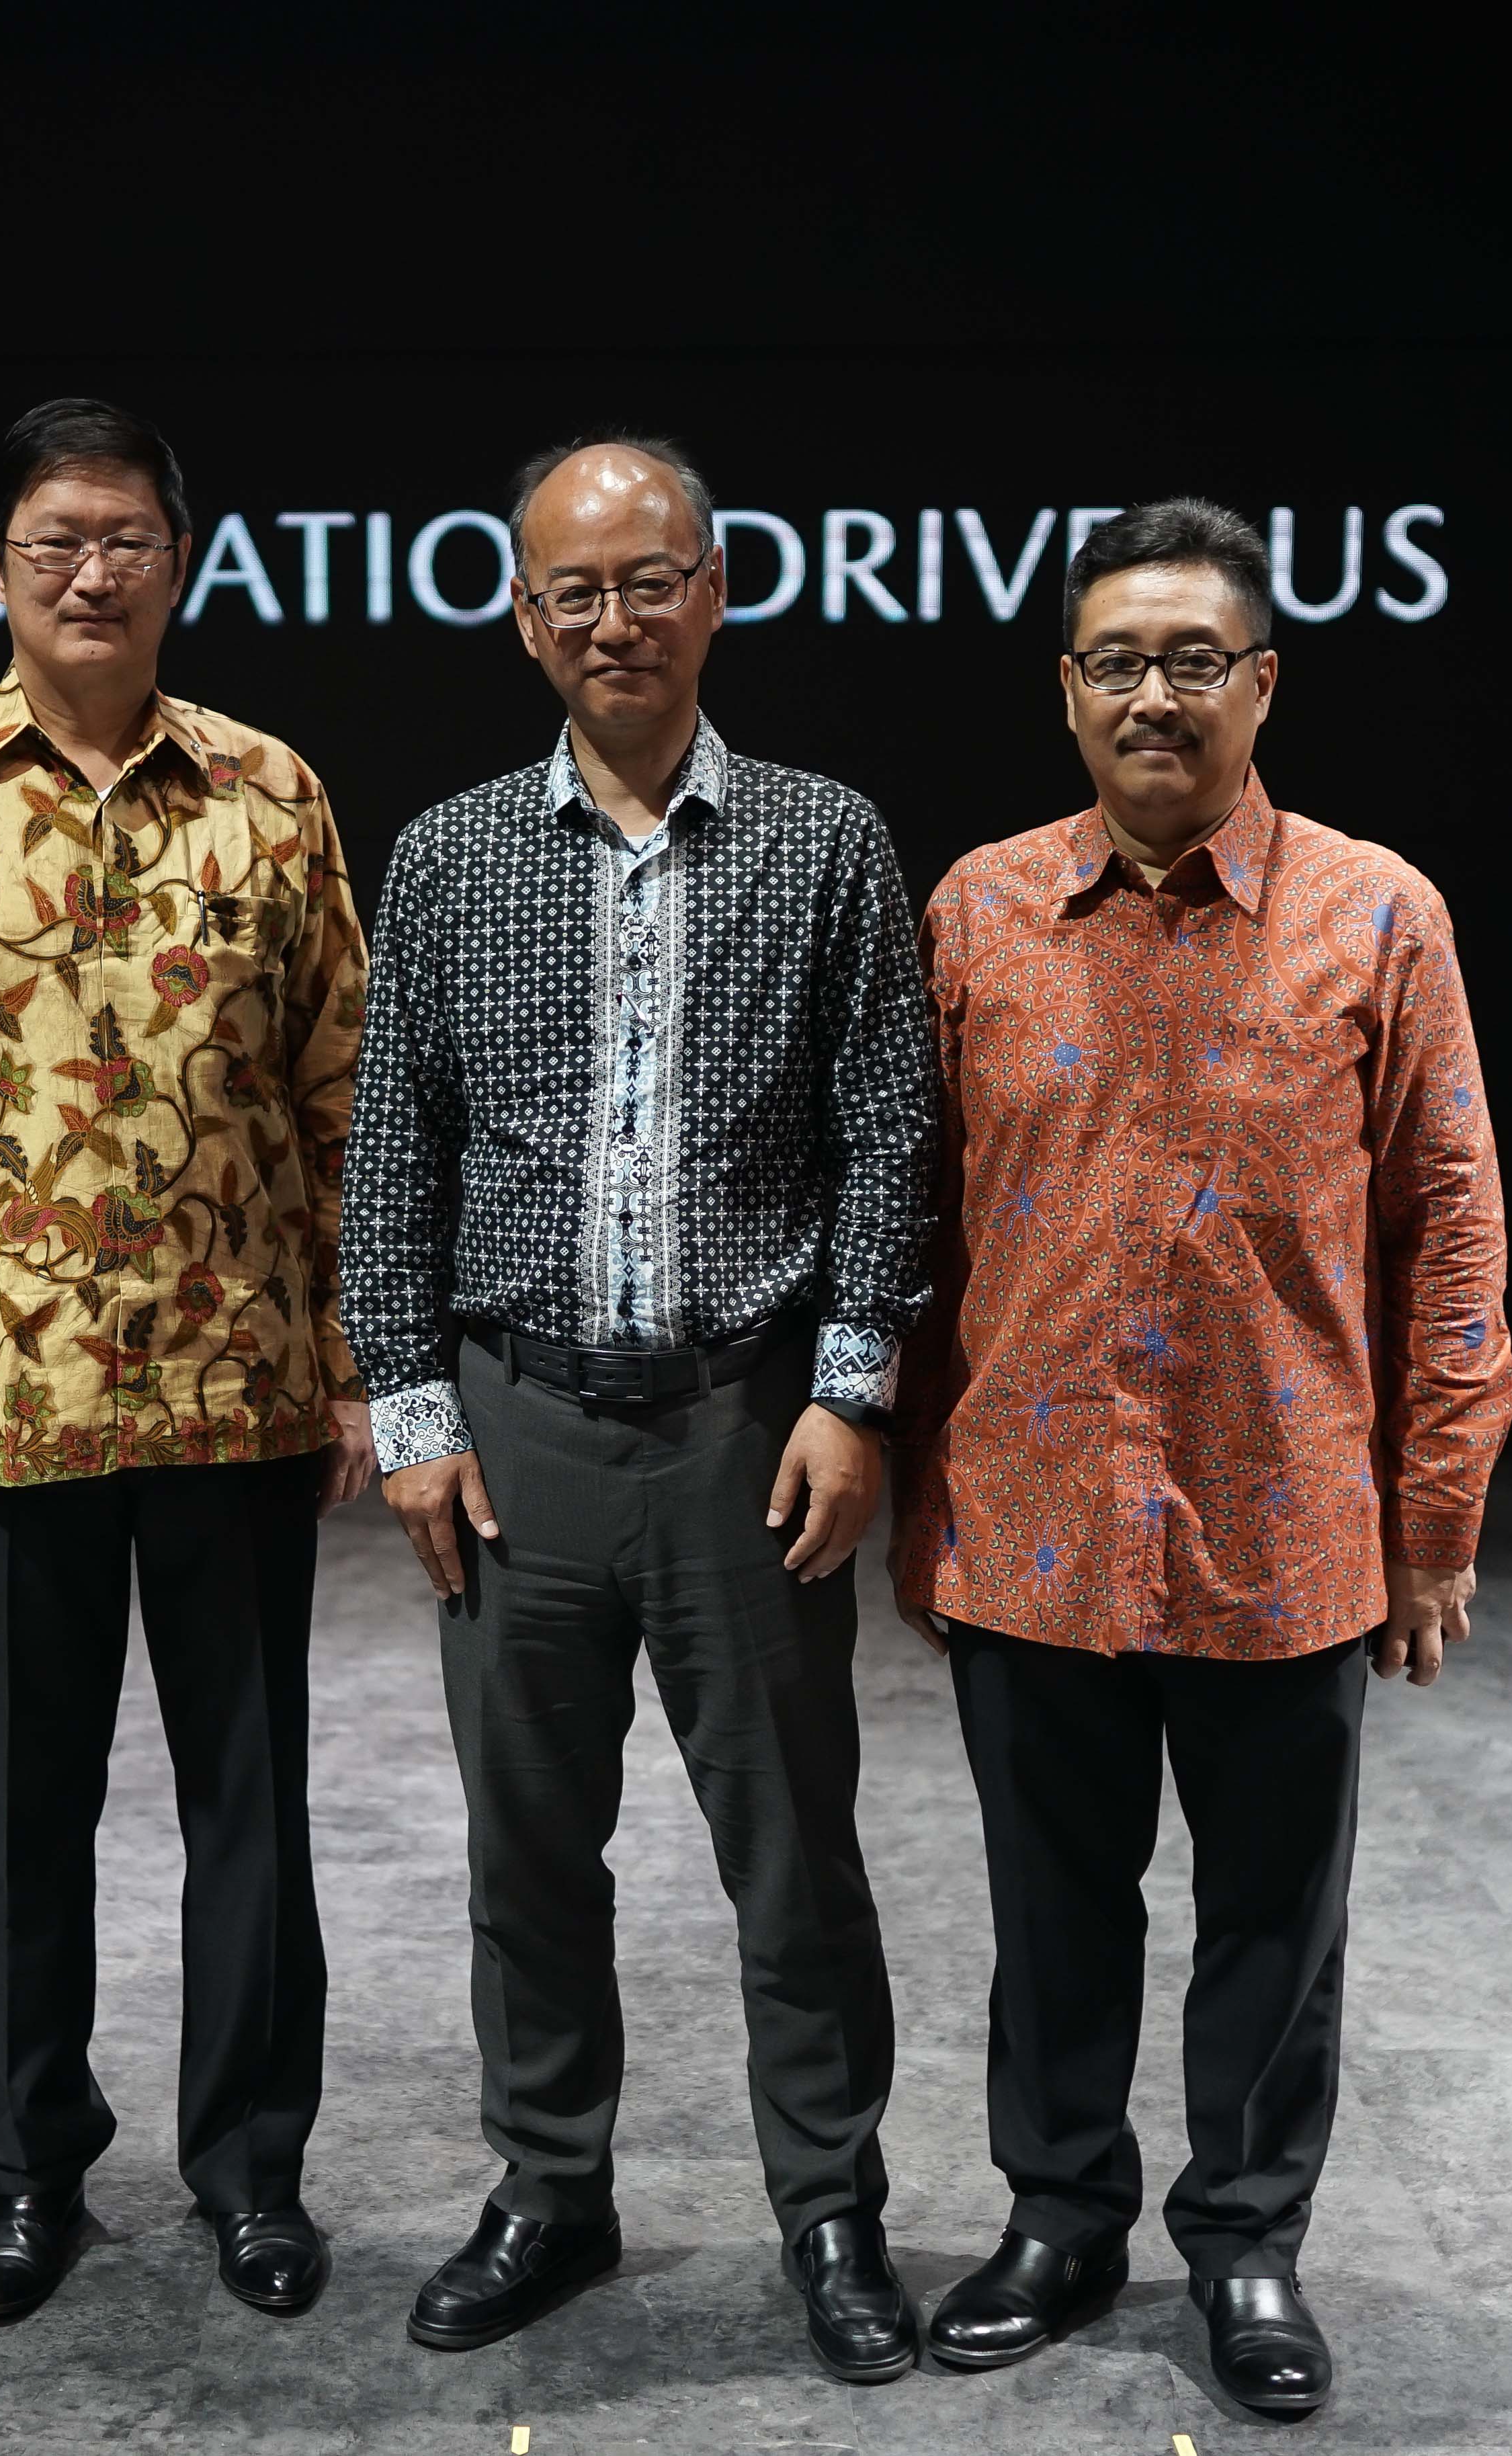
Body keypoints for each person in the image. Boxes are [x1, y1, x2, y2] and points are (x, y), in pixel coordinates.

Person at [890, 499, 1512, 2417]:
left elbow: (1452, 1222)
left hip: (1285, 1523)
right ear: (1063, 692)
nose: (1149, 696)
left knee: (1271, 1925)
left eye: (1189, 661)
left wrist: (1432, 1524)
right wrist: (904, 1486)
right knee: (1049, 1918)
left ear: (1262, 685)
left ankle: (1244, 2244)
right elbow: (910, 1228)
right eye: (1112, 663)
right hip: (1032, 1526)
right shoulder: (976, 909)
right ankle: (1060, 2220)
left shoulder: (1375, 913)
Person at [340, 434, 937, 2383]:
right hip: (516, 1432)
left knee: (790, 1849)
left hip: (742, 1430)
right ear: (523, 619)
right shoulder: (442, 855)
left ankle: (829, 2207)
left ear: (712, 591)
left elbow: (885, 1135)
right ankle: (547, 2188)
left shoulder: (826, 838)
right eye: (570, 590)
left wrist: (852, 1394)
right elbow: (392, 1160)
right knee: (527, 1849)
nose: (612, 617)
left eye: (645, 577)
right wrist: (410, 1410)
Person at [0, 399, 375, 2324]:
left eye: (125, 537)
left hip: (239, 1393)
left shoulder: (269, 793)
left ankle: (249, 2173)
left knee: (251, 1810)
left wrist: (366, 1367)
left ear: (180, 564)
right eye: (53, 541)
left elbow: (344, 1103)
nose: (91, 572)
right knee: (21, 1816)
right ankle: (30, 2166)